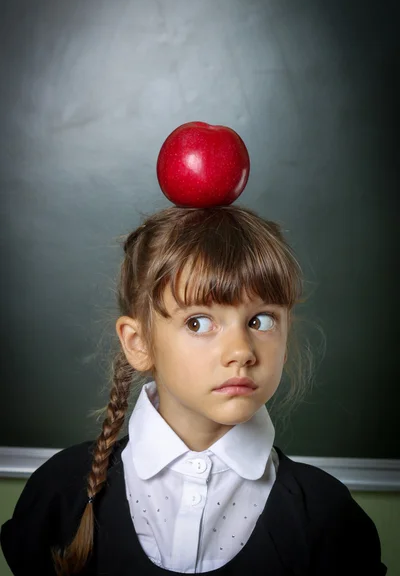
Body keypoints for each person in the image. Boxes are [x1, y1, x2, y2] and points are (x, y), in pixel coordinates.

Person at [0, 204, 387, 575]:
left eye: (261, 320)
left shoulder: (326, 515)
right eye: (199, 323)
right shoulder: (60, 494)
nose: (241, 351)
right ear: (138, 343)